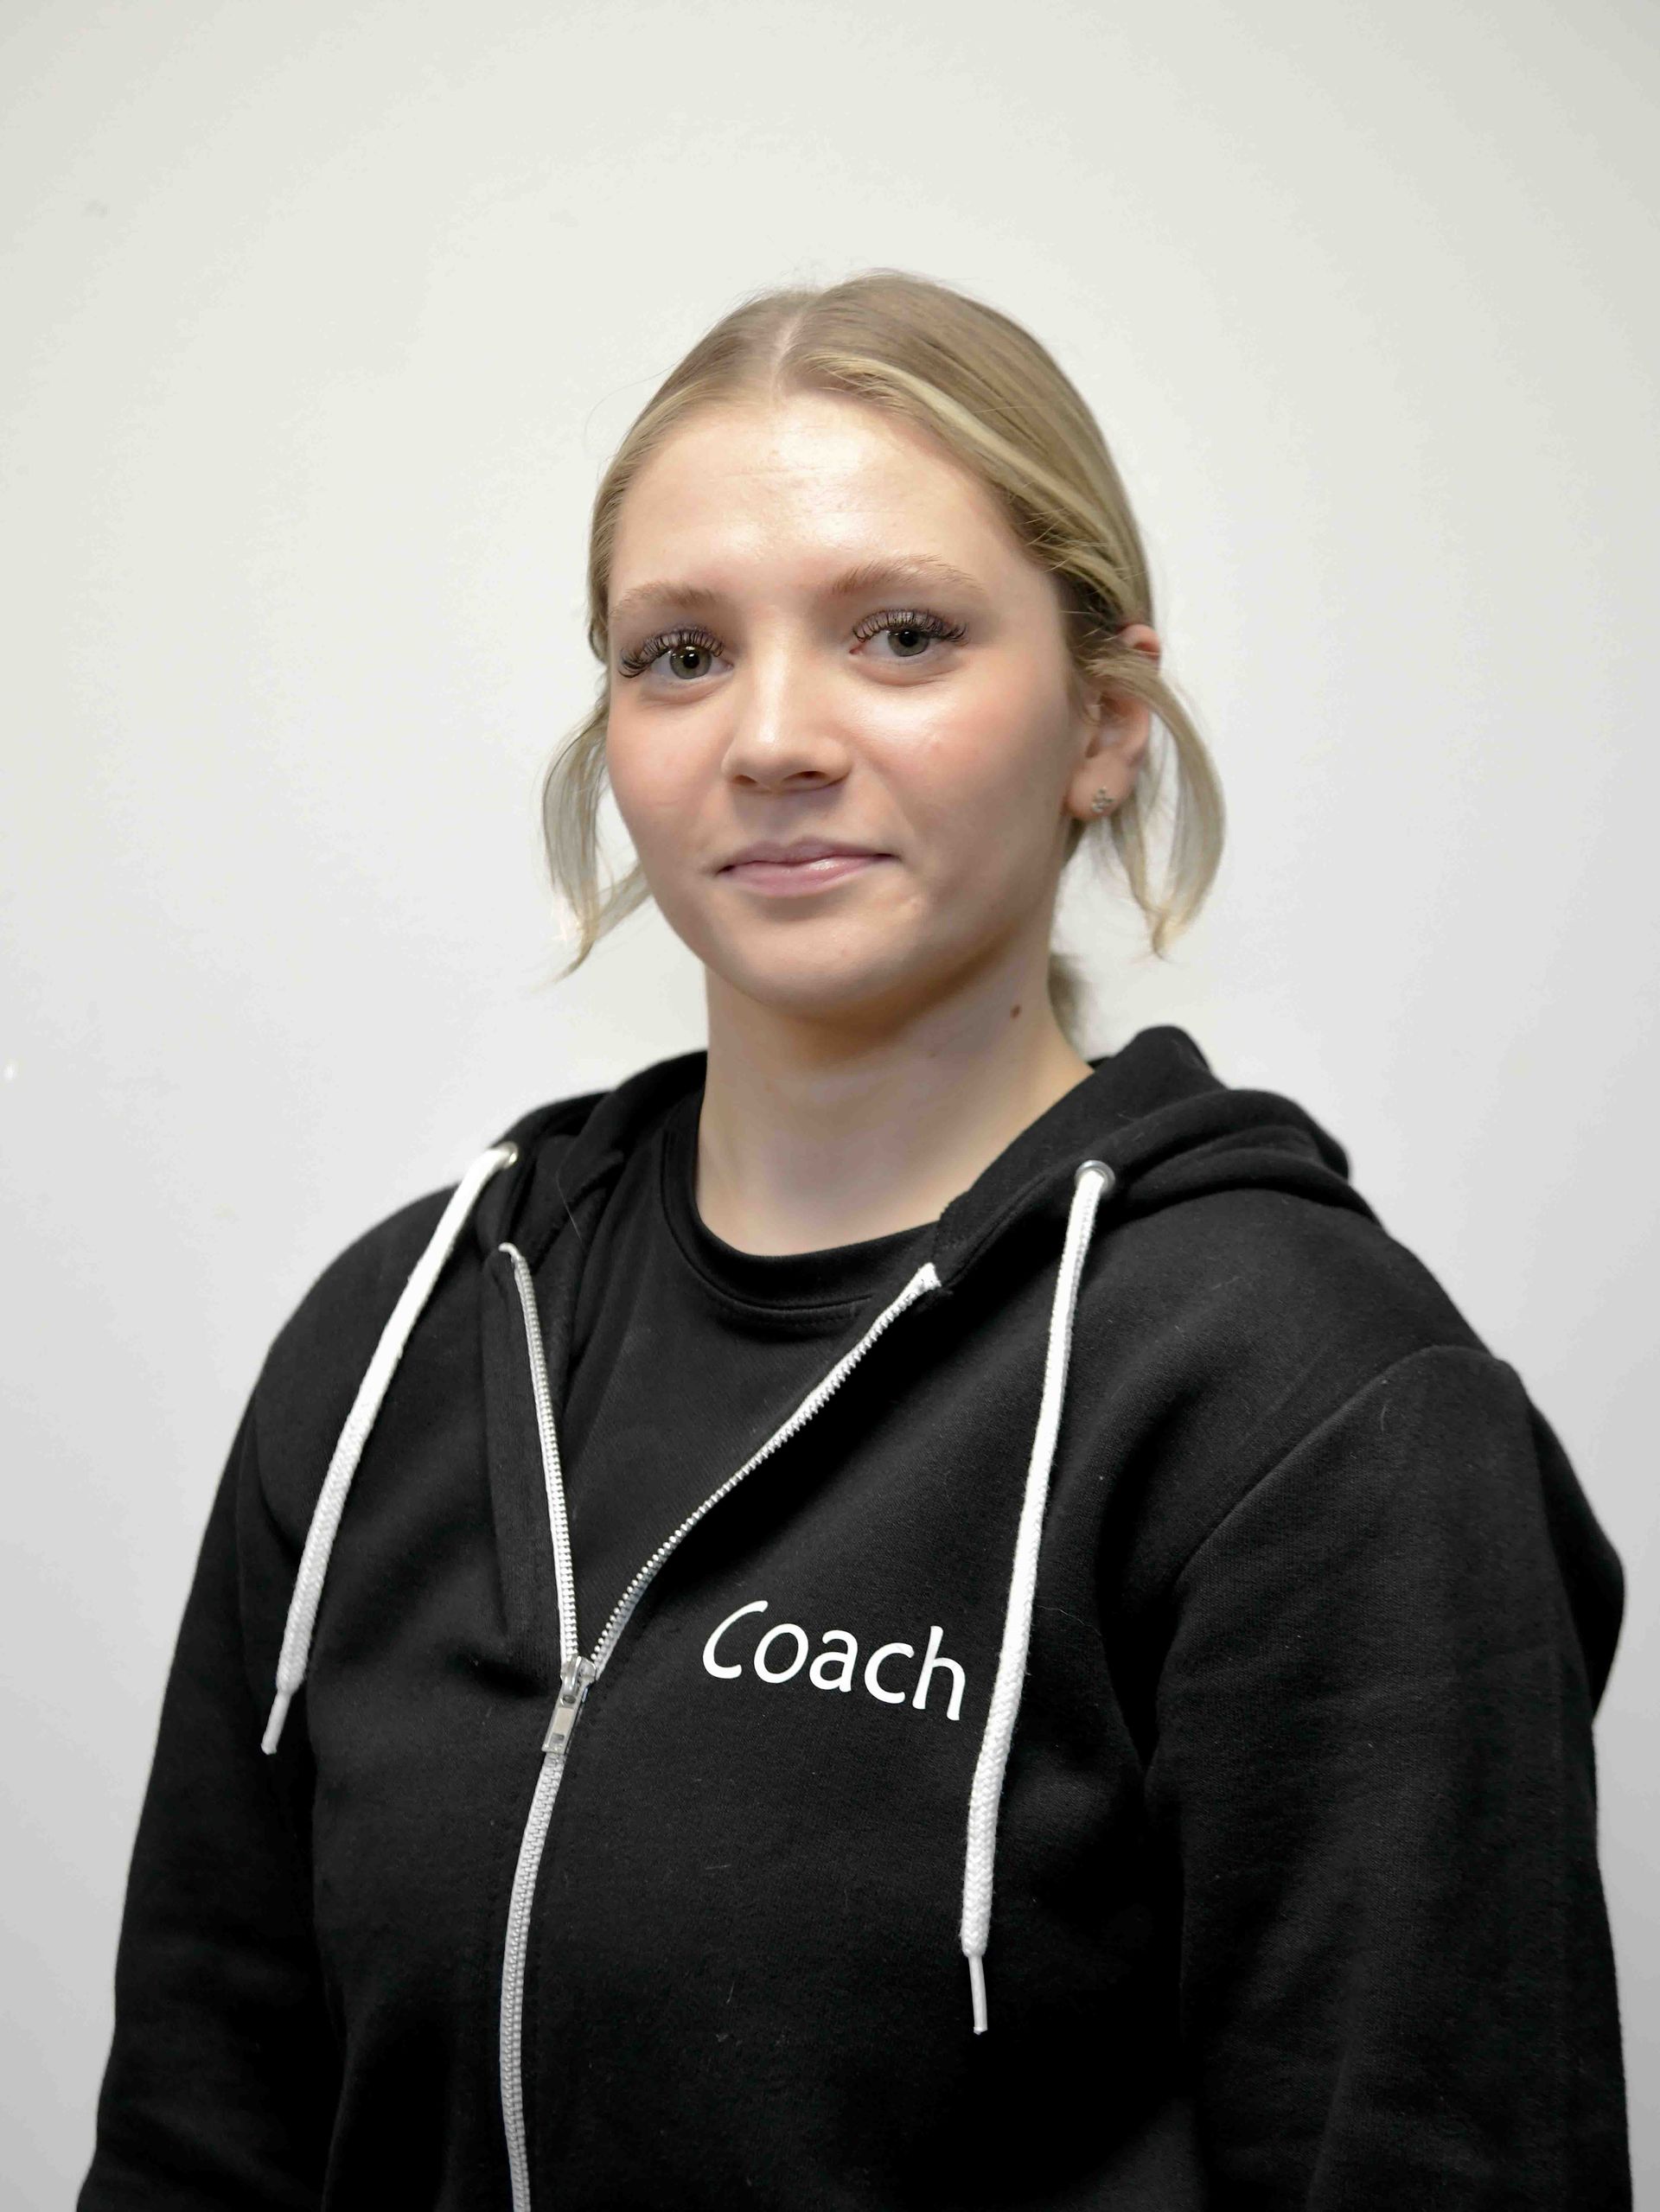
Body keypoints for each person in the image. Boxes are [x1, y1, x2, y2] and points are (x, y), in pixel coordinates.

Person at [78, 269, 1629, 2211]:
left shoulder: (1308, 1403)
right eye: (678, 654)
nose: (773, 737)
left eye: (900, 633)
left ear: (1105, 723)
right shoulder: (399, 1339)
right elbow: (194, 2145)